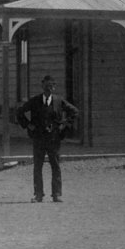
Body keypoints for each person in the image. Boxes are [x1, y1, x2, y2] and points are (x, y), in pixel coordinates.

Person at [16, 75, 79, 203]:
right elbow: (19, 112)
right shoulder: (34, 101)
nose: (48, 89)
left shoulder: (59, 101)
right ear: (42, 86)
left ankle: (56, 194)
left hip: (54, 139)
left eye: (51, 86)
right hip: (38, 138)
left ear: (54, 87)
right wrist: (28, 125)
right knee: (37, 167)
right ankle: (38, 195)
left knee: (55, 166)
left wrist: (64, 125)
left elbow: (75, 112)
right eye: (46, 86)